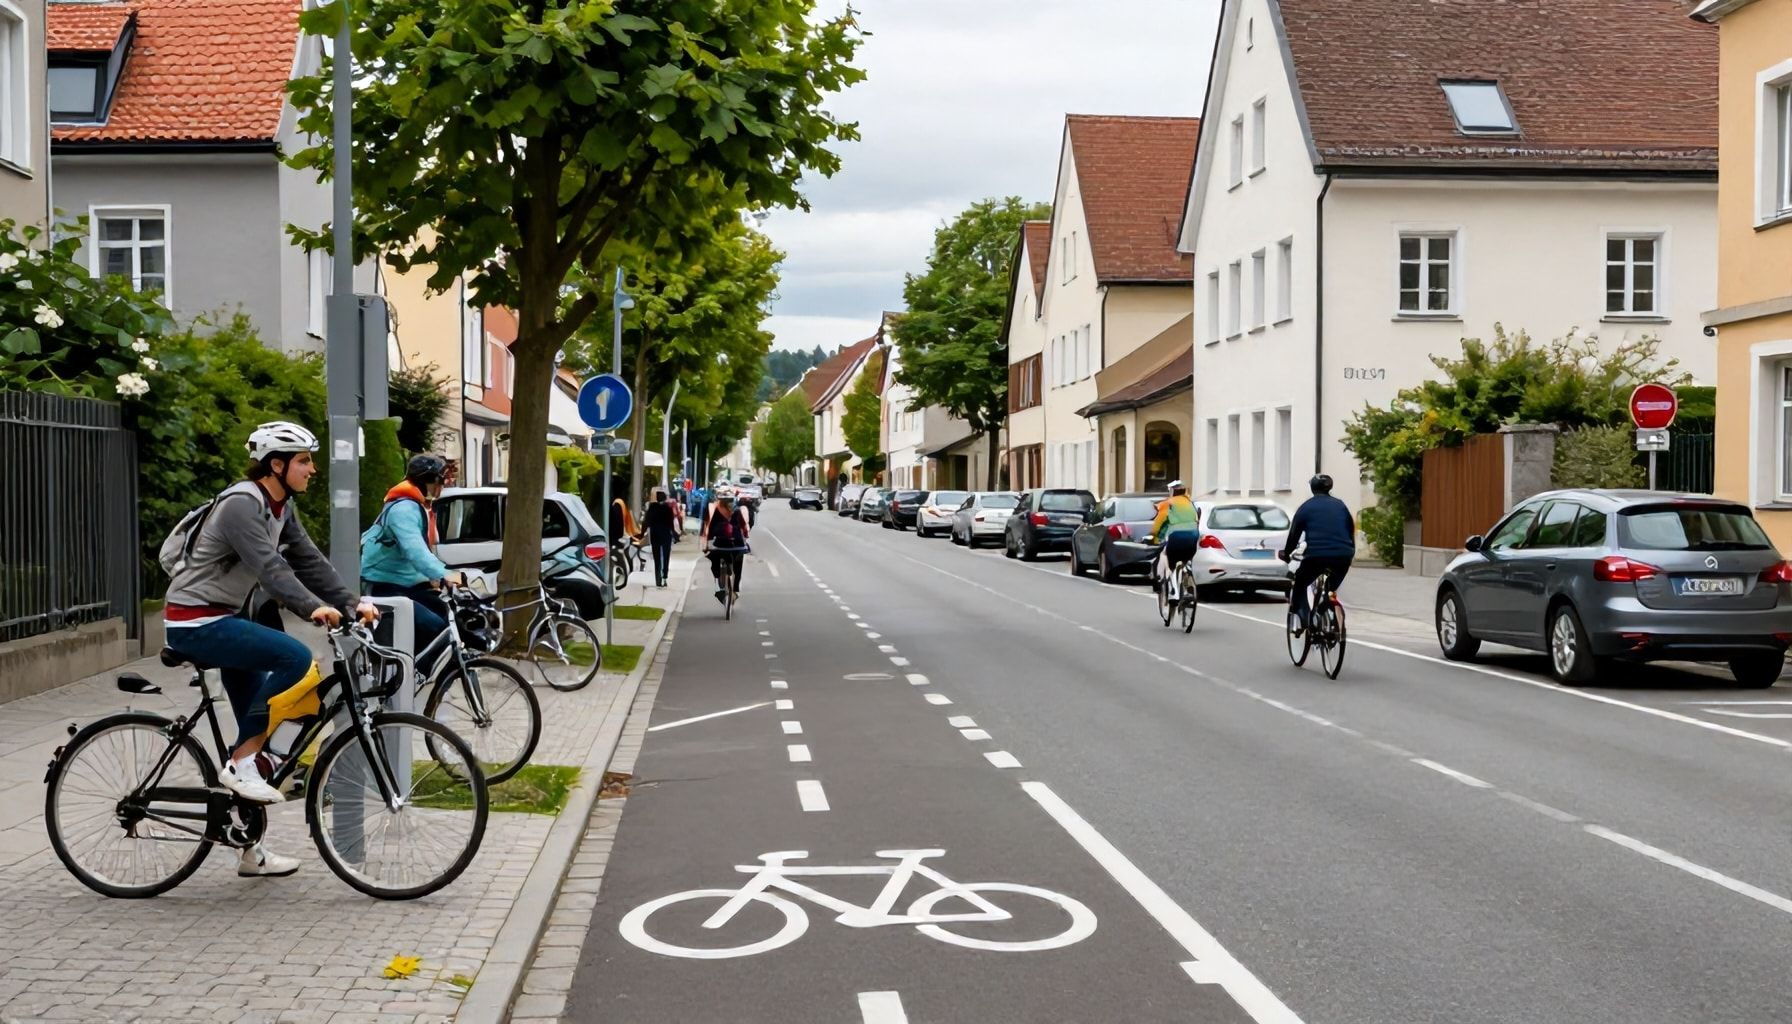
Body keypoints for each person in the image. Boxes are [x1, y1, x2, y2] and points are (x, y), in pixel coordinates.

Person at [162, 421, 378, 877]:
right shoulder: (243, 503)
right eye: (303, 461)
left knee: (257, 722)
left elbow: (309, 561)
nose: (312, 469)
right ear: (275, 465)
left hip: (227, 618)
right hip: (196, 621)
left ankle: (249, 847)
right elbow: (270, 567)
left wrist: (351, 602)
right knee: (295, 659)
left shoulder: (280, 507)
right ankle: (241, 762)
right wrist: (312, 609)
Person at [360, 454, 463, 652]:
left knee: (449, 616)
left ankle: (428, 671)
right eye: (440, 481)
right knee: (435, 627)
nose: (443, 486)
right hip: (387, 587)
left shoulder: (421, 506)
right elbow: (416, 552)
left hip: (408, 586)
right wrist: (448, 575)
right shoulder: (404, 510)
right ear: (427, 481)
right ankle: (410, 676)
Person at [1278, 473, 1357, 635]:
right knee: (1330, 589)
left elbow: (1294, 535)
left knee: (1300, 582)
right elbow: (1350, 530)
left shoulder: (1306, 507)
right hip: (1343, 556)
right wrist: (1349, 552)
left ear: (1312, 488)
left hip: (1316, 556)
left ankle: (1305, 618)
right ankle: (1325, 606)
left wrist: (1286, 553)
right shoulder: (1341, 506)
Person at [1149, 480, 1202, 601]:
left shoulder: (1168, 504)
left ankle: (1174, 592)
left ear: (1172, 492)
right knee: (1186, 557)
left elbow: (1159, 523)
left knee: (1170, 560)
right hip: (1193, 536)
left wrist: (1154, 536)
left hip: (1176, 537)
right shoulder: (1191, 503)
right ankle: (1187, 576)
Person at [700, 486, 750, 603]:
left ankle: (719, 585)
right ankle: (735, 589)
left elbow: (707, 528)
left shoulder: (713, 509)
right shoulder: (738, 510)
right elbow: (744, 528)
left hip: (720, 543)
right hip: (736, 543)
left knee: (714, 560)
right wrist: (745, 537)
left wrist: (705, 544)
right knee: (738, 563)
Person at [643, 488, 678, 588]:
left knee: (657, 558)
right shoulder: (667, 508)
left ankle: (658, 579)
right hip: (666, 534)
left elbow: (647, 521)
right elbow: (671, 523)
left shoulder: (652, 507)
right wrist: (674, 533)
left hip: (655, 535)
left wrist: (642, 533)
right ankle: (664, 577)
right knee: (666, 556)